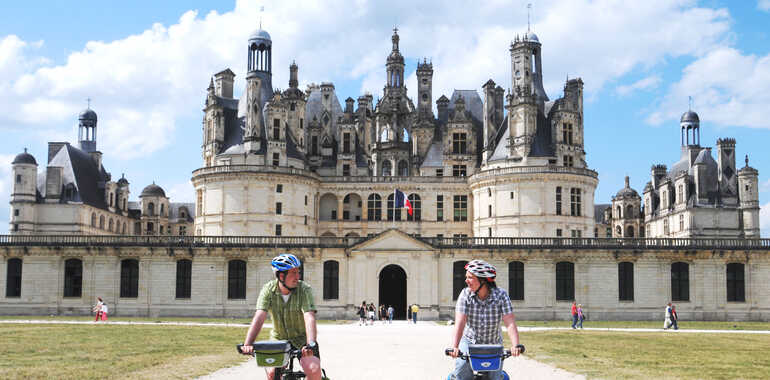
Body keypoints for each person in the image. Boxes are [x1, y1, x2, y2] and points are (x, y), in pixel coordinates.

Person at [240, 254, 322, 380]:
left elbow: (309, 316)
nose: (297, 276)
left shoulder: (304, 290)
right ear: (281, 276)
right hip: (278, 341)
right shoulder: (268, 290)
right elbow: (260, 316)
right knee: (273, 374)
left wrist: (311, 343)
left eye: (298, 272)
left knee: (313, 369)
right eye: (293, 273)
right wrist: (248, 343)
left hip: (302, 341)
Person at [449, 259, 521, 380]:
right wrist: (455, 347)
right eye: (467, 277)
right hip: (469, 342)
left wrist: (516, 345)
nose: (466, 281)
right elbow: (460, 323)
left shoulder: (501, 295)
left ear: (483, 280)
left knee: (495, 378)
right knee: (461, 373)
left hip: (493, 343)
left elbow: (510, 322)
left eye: (470, 277)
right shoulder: (465, 295)